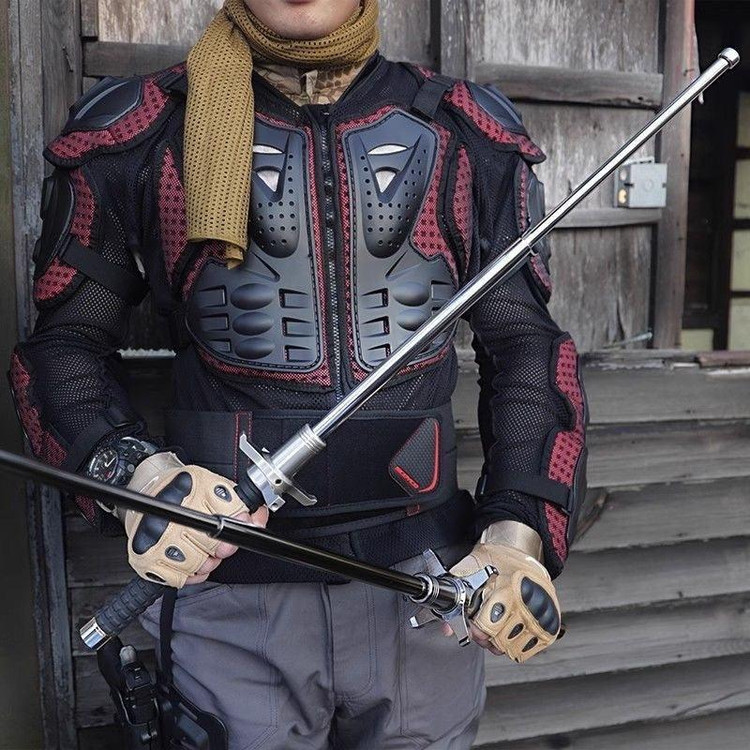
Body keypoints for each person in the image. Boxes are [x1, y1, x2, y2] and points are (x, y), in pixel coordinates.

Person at [9, 0, 587, 747]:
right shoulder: (140, 132)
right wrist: (138, 477)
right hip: (229, 585)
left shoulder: (466, 132)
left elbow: (529, 348)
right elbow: (63, 350)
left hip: (431, 586)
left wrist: (517, 534)